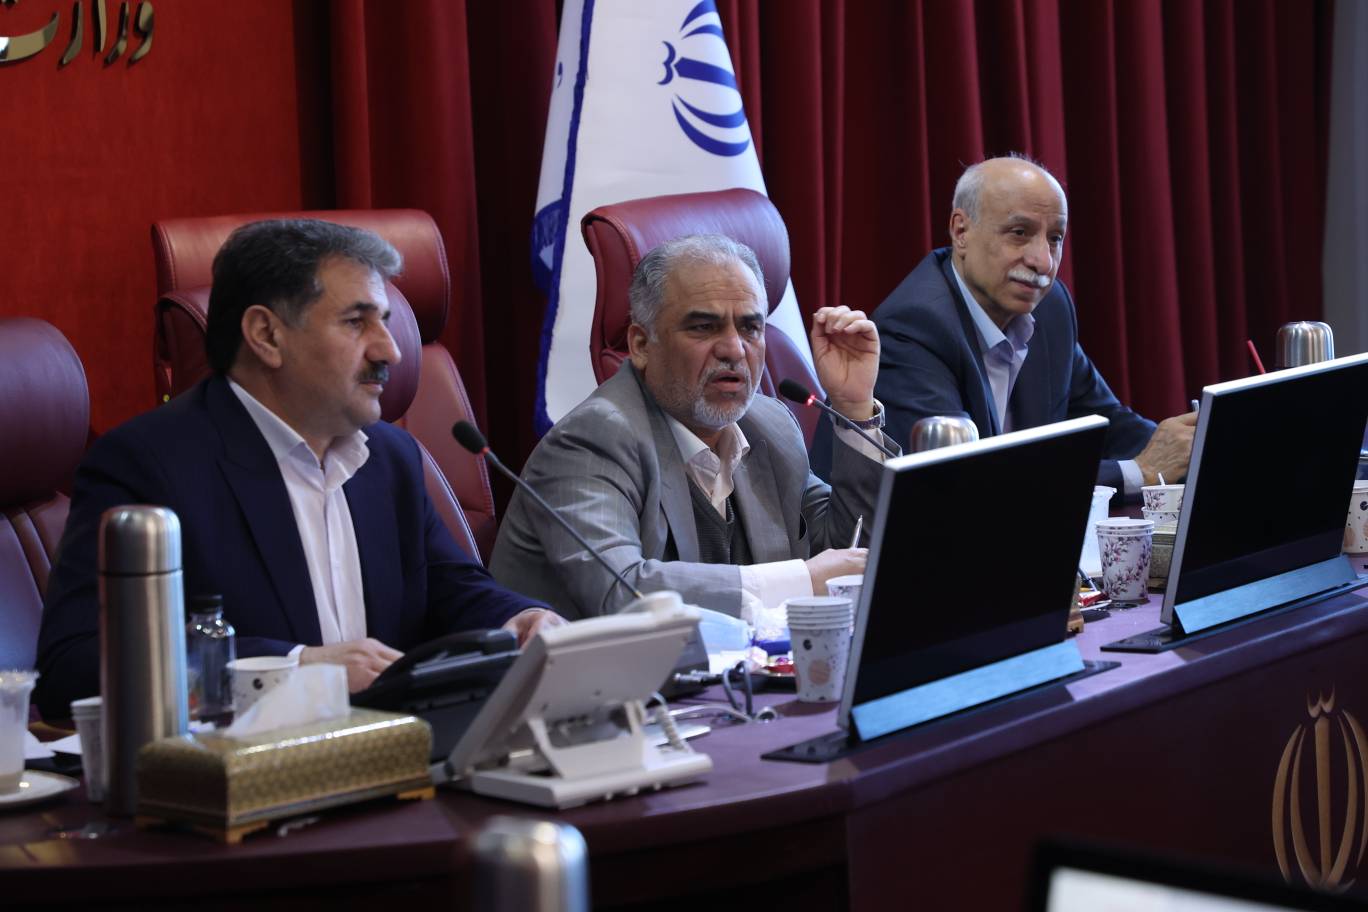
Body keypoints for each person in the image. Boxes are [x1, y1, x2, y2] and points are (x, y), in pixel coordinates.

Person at [35, 219, 561, 718]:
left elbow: (452, 589)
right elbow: (75, 666)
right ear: (266, 335)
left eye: (385, 321)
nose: (391, 351)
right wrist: (297, 669)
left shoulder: (390, 458)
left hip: (396, 751)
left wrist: (517, 617)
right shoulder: (147, 465)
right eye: (356, 322)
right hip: (249, 768)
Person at [489, 234, 895, 620]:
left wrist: (854, 406)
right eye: (704, 327)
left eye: (750, 328)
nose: (734, 349)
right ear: (640, 345)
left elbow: (850, 552)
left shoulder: (769, 426)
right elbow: (623, 591)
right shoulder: (591, 442)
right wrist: (800, 580)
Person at [815, 155, 1194, 497]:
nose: (1043, 261)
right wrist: (1138, 472)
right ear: (961, 232)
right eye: (1019, 233)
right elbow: (972, 484)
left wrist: (1192, 451)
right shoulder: (913, 327)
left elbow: (1108, 423)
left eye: (1055, 238)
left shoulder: (1051, 308)